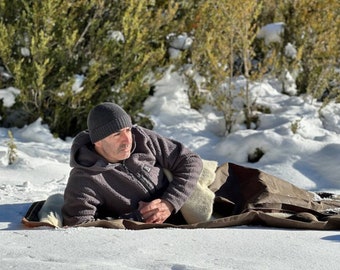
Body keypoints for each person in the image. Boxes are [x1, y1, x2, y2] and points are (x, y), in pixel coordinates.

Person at [62, 102, 203, 226]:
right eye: (116, 134)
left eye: (128, 130)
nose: (127, 140)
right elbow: (79, 225)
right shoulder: (84, 179)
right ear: (98, 141)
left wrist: (170, 202)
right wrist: (138, 217)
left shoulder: (143, 138)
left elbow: (190, 160)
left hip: (191, 204)